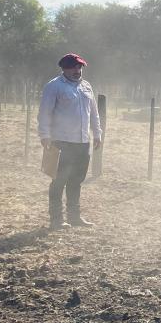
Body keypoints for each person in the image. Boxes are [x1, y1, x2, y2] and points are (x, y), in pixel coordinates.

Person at [37, 53, 102, 230]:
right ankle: (56, 220)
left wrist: (97, 133)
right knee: (59, 181)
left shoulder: (87, 86)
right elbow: (45, 113)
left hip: (82, 142)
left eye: (79, 67)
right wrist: (44, 135)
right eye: (73, 67)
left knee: (76, 180)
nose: (77, 70)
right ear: (64, 68)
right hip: (62, 141)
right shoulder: (54, 86)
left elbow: (94, 113)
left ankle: (74, 217)